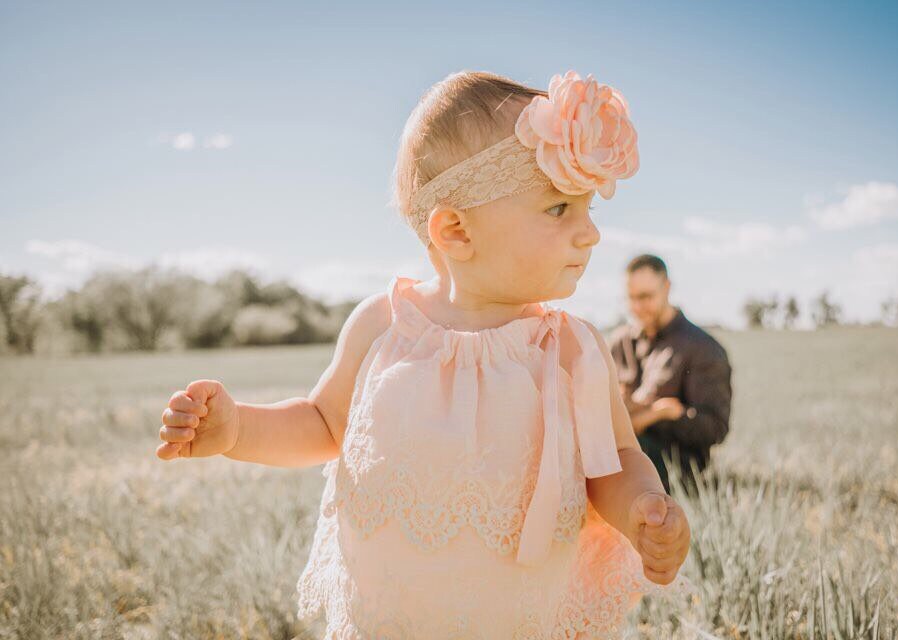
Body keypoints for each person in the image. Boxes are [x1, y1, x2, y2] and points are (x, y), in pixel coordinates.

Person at [156, 70, 692, 638]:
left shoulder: (570, 348)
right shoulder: (384, 326)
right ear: (456, 231)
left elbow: (614, 464)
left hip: (517, 615)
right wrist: (238, 430)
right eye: (559, 209)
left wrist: (642, 508)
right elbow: (321, 424)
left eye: (588, 209)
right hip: (392, 614)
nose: (590, 234)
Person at [608, 254, 732, 496]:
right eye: (630, 298)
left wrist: (665, 416)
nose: (637, 307)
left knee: (615, 453)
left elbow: (715, 428)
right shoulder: (620, 342)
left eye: (645, 297)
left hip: (675, 465)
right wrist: (654, 410)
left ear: (667, 288)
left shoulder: (702, 348)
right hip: (618, 449)